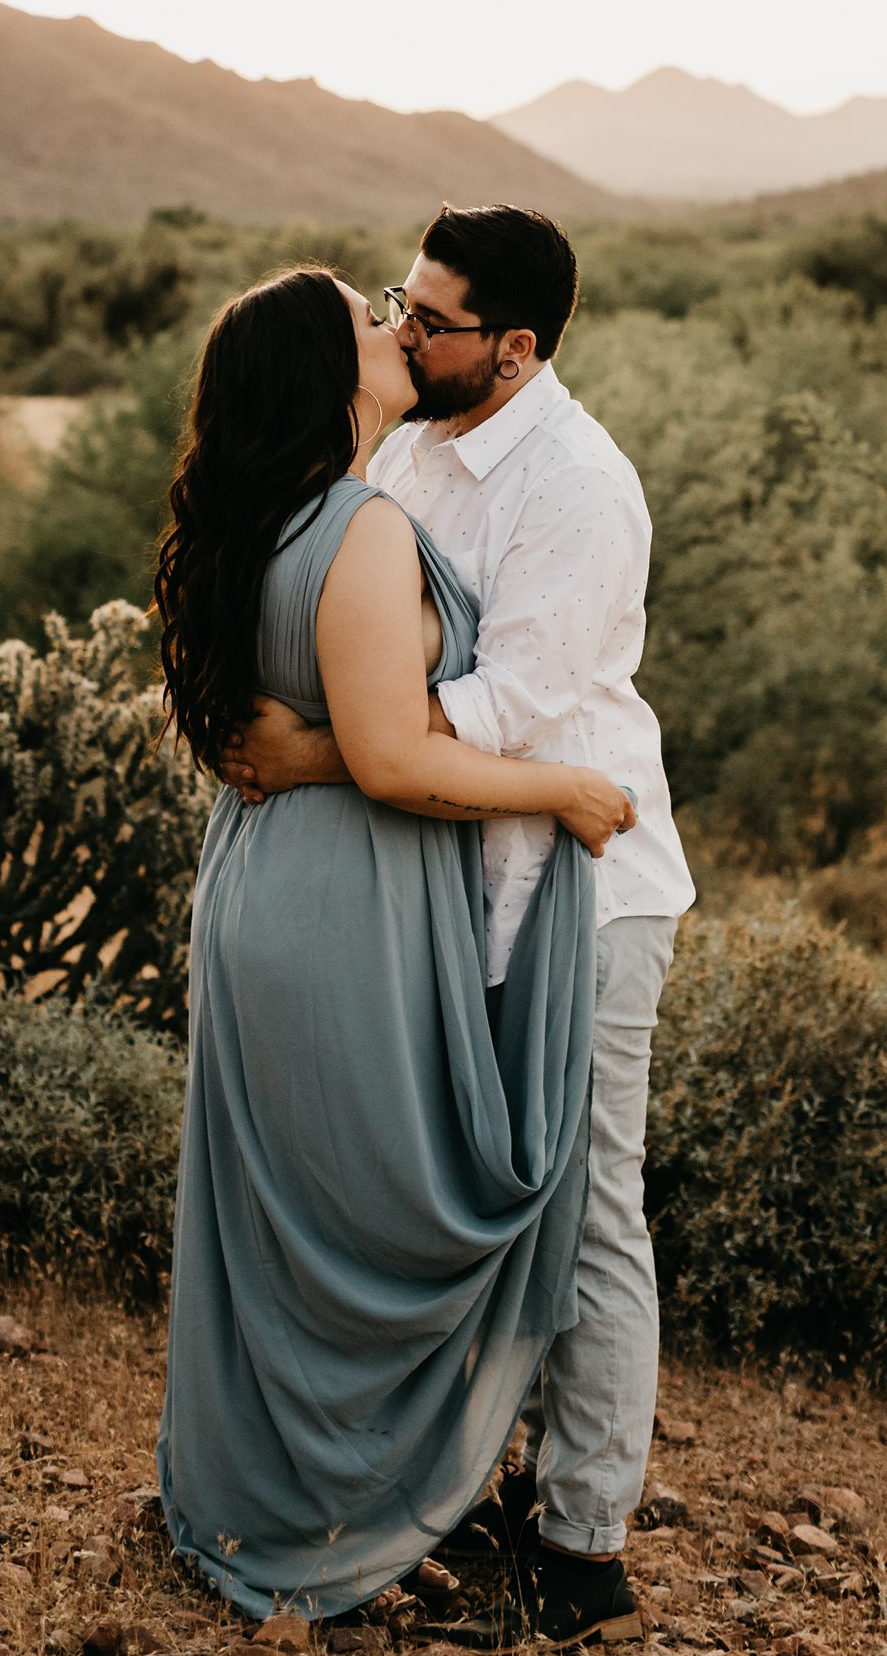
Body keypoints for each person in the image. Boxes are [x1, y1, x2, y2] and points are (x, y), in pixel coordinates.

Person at [221, 206, 696, 1648]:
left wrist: (313, 752)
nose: (403, 333)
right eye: (398, 304)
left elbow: (491, 709)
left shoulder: (578, 488)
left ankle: (583, 1538)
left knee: (583, 1201)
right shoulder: (409, 447)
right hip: (435, 894)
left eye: (430, 321)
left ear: (518, 346)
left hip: (577, 892)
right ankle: (454, 1475)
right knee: (465, 1196)